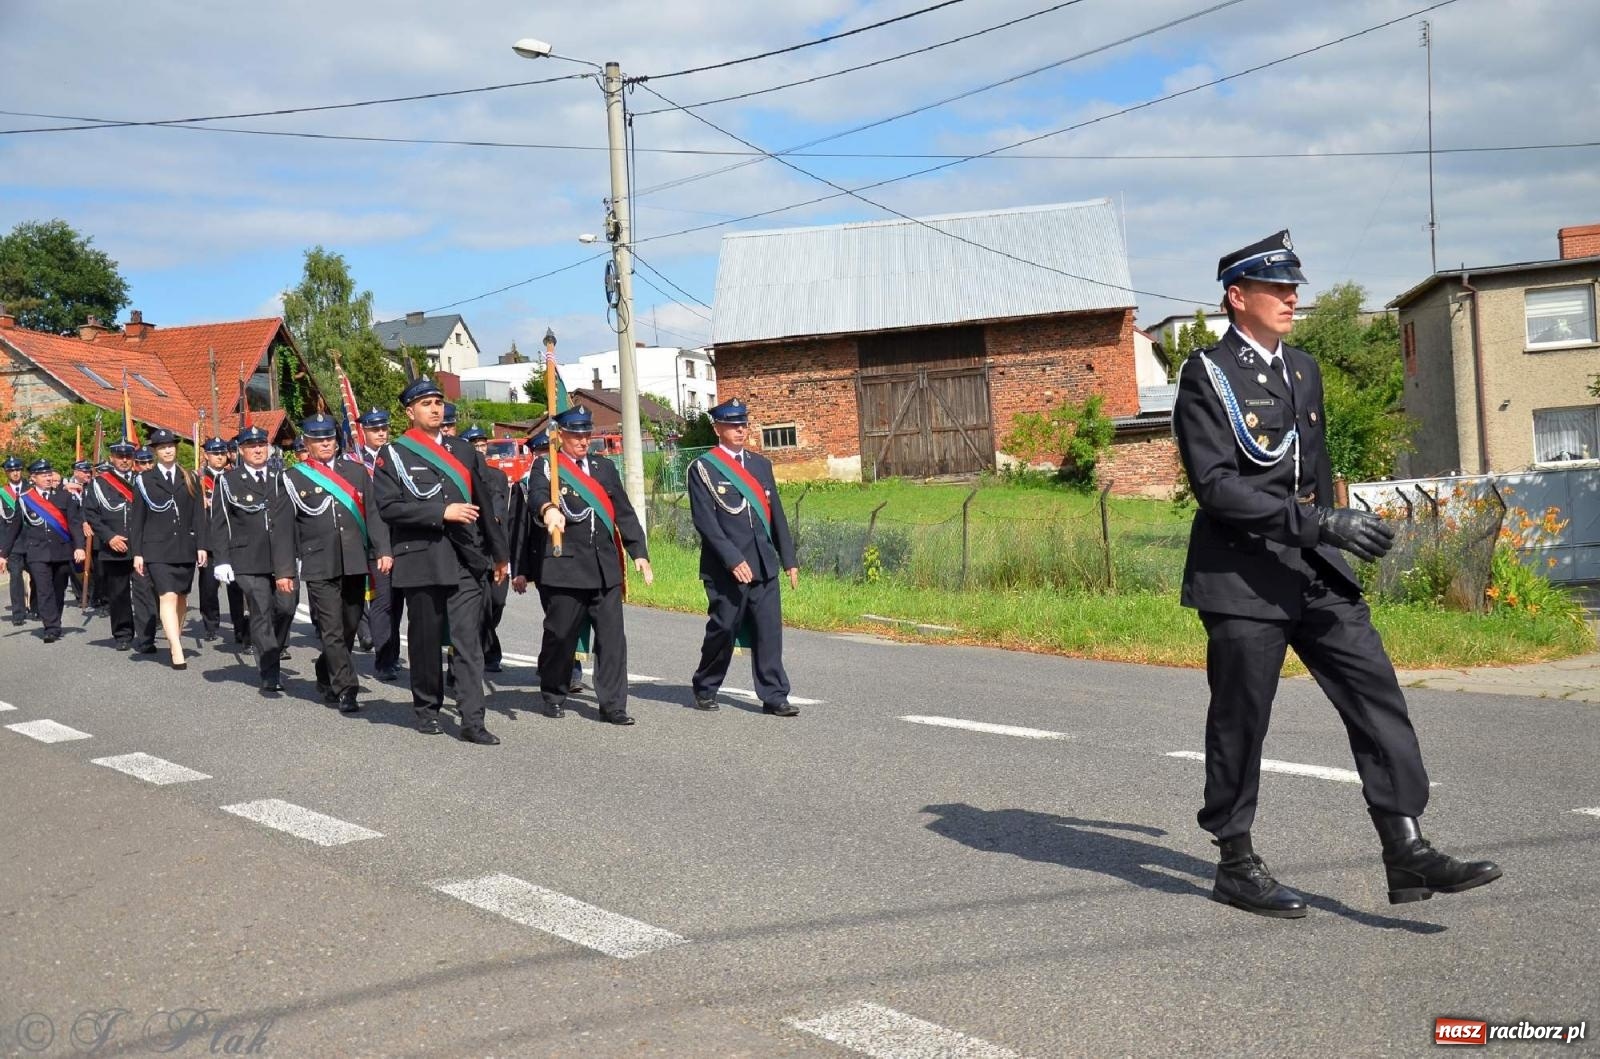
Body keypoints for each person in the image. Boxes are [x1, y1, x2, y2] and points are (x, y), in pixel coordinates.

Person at [1172, 230, 1501, 918]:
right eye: (1278, 287)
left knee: (1375, 691)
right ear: (1238, 297)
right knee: (1242, 720)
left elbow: (1313, 474)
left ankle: (1404, 845)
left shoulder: (1303, 369)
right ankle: (1235, 858)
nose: (1294, 297)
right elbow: (1218, 487)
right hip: (1242, 576)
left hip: (1314, 569)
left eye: (1295, 287)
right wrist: (1323, 524)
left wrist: (1335, 531)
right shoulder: (1207, 374)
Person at [373, 378, 508, 744]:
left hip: (465, 558)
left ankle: (472, 720)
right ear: (410, 412)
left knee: (468, 641)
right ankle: (427, 708)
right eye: (426, 403)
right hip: (420, 559)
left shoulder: (464, 452)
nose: (435, 409)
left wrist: (499, 555)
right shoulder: (394, 454)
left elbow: (484, 506)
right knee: (425, 640)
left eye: (438, 402)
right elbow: (389, 507)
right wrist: (441, 511)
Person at [520, 406, 652, 725]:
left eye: (586, 434)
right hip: (565, 568)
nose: (582, 440)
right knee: (560, 635)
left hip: (603, 567)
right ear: (561, 435)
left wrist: (639, 552)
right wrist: (548, 508)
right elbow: (536, 495)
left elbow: (623, 510)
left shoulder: (603, 467)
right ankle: (553, 691)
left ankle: (613, 704)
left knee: (611, 639)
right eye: (576, 434)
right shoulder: (547, 467)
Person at [687, 399, 801, 716]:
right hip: (727, 569)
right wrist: (732, 559)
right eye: (733, 424)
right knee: (723, 629)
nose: (740, 430)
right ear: (717, 428)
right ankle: (705, 686)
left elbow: (775, 514)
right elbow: (705, 522)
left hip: (763, 563)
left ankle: (775, 695)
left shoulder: (760, 465)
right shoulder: (703, 468)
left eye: (744, 424)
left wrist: (788, 558)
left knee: (769, 631)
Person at [280, 414, 390, 713]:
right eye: (318, 439)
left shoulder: (355, 473)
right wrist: (285, 570)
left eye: (329, 437)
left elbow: (374, 516)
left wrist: (383, 550)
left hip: (354, 560)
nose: (325, 443)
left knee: (349, 626)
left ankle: (323, 672)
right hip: (319, 563)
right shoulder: (293, 478)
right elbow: (284, 529)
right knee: (330, 629)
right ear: (307, 443)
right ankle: (347, 688)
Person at [209, 426, 297, 696]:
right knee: (260, 609)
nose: (258, 449)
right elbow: (220, 522)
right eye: (252, 446)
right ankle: (270, 671)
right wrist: (222, 560)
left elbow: (294, 517)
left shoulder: (281, 477)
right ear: (242, 451)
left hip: (282, 559)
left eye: (262, 444)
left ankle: (273, 647)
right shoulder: (229, 481)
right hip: (247, 559)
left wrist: (300, 553)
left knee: (286, 607)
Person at [130, 428, 207, 670]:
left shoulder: (189, 477)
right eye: (162, 447)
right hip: (157, 549)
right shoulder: (144, 480)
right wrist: (137, 553)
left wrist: (202, 545)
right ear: (155, 451)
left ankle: (176, 634)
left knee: (182, 596)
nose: (168, 450)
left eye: (171, 446)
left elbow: (198, 515)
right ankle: (176, 648)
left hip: (184, 546)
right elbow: (137, 519)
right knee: (168, 595)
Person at [0, 459, 85, 643]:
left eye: (49, 474)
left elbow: (74, 524)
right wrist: (3, 555)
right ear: (33, 478)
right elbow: (13, 528)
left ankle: (56, 618)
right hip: (37, 552)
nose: (48, 477)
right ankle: (51, 627)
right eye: (43, 475)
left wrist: (79, 547)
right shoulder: (24, 500)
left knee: (58, 589)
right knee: (44, 589)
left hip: (61, 551)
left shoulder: (64, 497)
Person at [347, 409, 403, 678]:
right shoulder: (352, 462)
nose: (381, 433)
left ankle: (393, 651)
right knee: (383, 601)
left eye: (384, 428)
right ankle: (385, 659)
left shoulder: (398, 456)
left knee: (398, 601)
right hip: (371, 539)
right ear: (363, 432)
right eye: (374, 430)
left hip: (400, 536)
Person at [81, 438, 142, 650]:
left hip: (141, 546)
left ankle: (146, 634)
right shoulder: (99, 483)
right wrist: (109, 537)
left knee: (145, 592)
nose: (124, 460)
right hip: (113, 546)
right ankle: (123, 634)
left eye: (128, 456)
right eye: (120, 456)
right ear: (112, 458)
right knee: (119, 593)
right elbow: (92, 514)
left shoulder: (142, 480)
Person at [463, 426, 511, 673]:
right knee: (479, 603)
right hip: (477, 549)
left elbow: (503, 511)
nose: (480, 450)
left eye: (483, 445)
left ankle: (485, 639)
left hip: (498, 550)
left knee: (497, 602)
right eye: (475, 445)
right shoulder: (463, 478)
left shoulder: (499, 477)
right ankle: (489, 652)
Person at [198, 437, 249, 643]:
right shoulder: (198, 478)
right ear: (206, 455)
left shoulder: (234, 477)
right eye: (215, 453)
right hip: (209, 539)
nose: (219, 457)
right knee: (209, 587)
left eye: (222, 453)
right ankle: (210, 624)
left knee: (237, 589)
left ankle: (240, 629)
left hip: (232, 539)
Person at [1, 455, 31, 625]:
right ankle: (18, 614)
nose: (15, 473)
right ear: (6, 472)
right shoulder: (2, 493)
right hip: (13, 542)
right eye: (11, 470)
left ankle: (36, 608)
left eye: (18, 469)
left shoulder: (31, 489)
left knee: (38, 575)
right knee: (16, 578)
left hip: (34, 539)